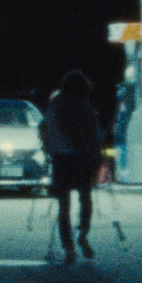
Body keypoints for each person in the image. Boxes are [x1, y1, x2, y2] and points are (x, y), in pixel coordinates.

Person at [43, 70, 105, 262]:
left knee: (63, 205)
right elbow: (93, 135)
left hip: (60, 159)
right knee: (85, 198)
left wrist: (49, 150)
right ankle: (83, 234)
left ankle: (68, 247)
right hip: (81, 158)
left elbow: (45, 130)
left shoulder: (54, 105)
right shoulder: (83, 106)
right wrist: (97, 158)